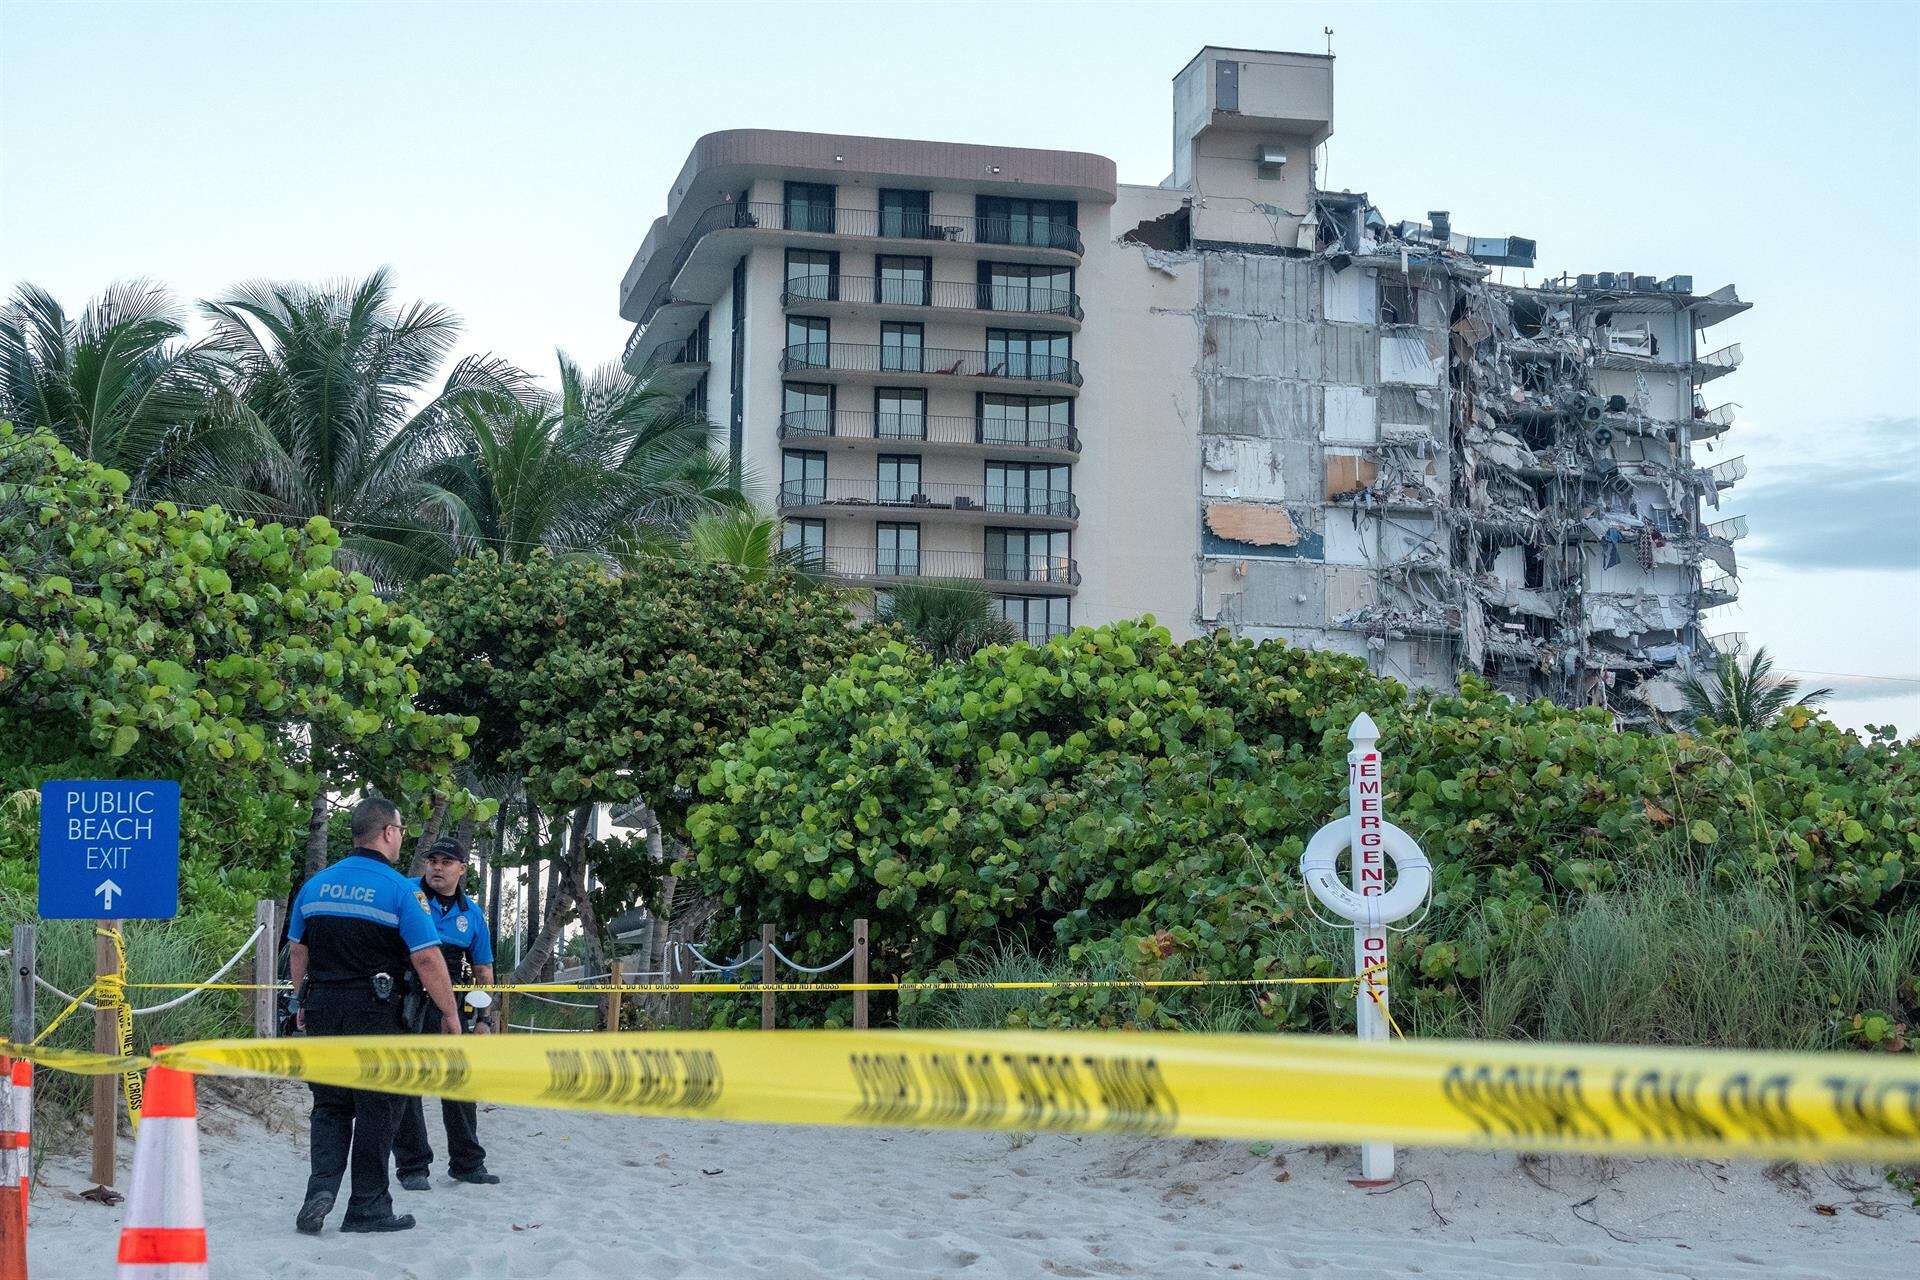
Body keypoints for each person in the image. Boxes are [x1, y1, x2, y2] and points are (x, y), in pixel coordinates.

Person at [287, 796, 461, 1236]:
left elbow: (299, 950)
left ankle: (319, 1192)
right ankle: (367, 1206)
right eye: (401, 831)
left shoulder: (316, 886)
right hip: (378, 1013)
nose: (402, 838)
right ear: (387, 832)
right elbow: (426, 959)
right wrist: (450, 1014)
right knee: (376, 1110)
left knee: (329, 1106)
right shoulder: (403, 891)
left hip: (324, 1008)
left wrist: (302, 1001)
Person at [393, 836, 501, 1188]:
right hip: (405, 996)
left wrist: (484, 1019)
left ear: (462, 869)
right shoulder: (405, 892)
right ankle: (413, 1167)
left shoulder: (471, 913)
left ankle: (467, 1164)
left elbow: (483, 971)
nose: (437, 867)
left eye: (446, 861)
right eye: (432, 860)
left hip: (451, 1003)